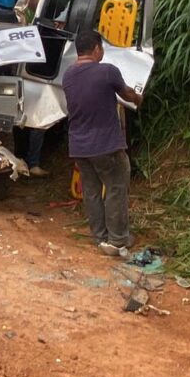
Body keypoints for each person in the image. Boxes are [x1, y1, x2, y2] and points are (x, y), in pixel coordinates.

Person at [62, 30, 143, 257]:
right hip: (106, 145)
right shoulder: (107, 71)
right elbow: (127, 95)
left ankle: (100, 236)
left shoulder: (68, 75)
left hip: (79, 146)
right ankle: (118, 240)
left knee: (92, 191)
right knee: (117, 187)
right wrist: (138, 97)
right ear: (97, 48)